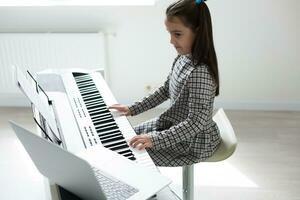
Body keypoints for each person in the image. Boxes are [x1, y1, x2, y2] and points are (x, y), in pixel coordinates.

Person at [109, 0, 221, 167]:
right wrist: (133, 109)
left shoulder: (200, 73)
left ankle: (145, 191)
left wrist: (154, 140)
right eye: (169, 33)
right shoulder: (183, 58)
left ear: (197, 31)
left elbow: (195, 123)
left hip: (192, 142)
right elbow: (165, 90)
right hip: (172, 125)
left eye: (177, 34)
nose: (171, 40)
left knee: (128, 154)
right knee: (121, 139)